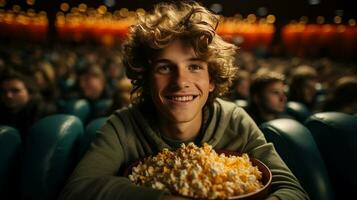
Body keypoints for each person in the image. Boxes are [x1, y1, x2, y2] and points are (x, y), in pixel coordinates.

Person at [59, 2, 308, 200]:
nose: (181, 82)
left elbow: (294, 191)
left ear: (212, 80)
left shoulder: (234, 119)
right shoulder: (123, 126)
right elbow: (76, 191)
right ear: (145, 79)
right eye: (165, 68)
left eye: (195, 67)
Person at [0, 70, 55, 139]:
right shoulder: (3, 110)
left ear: (29, 92)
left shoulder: (43, 112)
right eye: (3, 91)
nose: (8, 95)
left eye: (15, 91)